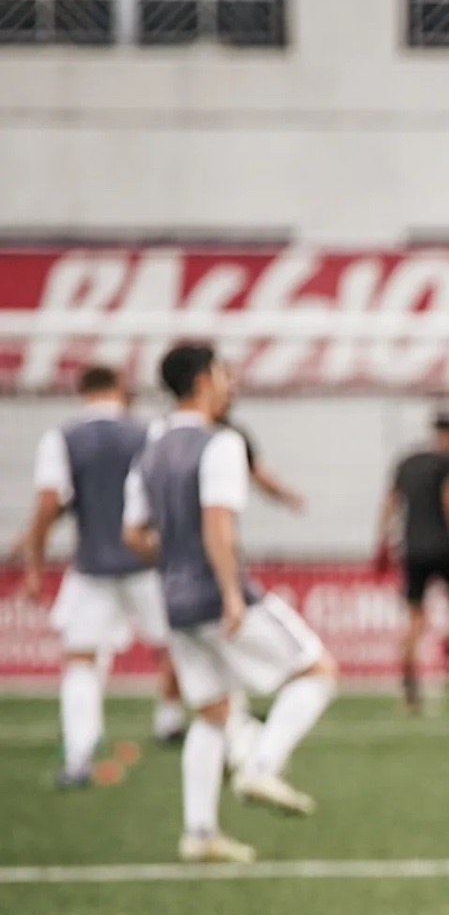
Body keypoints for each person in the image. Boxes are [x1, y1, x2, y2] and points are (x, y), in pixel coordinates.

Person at [125, 344, 339, 862]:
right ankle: (262, 767)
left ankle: (199, 833)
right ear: (202, 380)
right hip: (216, 594)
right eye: (224, 373)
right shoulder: (219, 444)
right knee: (317, 671)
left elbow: (132, 532)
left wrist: (173, 564)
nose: (232, 382)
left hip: (173, 599)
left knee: (213, 714)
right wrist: (228, 592)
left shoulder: (151, 447)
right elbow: (217, 524)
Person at [16, 365, 176, 787]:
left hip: (92, 566)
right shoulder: (148, 433)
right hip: (145, 563)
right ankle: (175, 721)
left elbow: (50, 503)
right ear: (121, 390)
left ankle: (80, 753)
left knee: (80, 659)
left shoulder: (63, 438)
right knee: (175, 647)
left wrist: (34, 564)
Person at [377, 413, 449, 712]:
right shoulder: (448, 463)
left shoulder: (406, 461)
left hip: (412, 549)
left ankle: (409, 689)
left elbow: (390, 504)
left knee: (414, 620)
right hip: (444, 548)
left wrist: (381, 542)